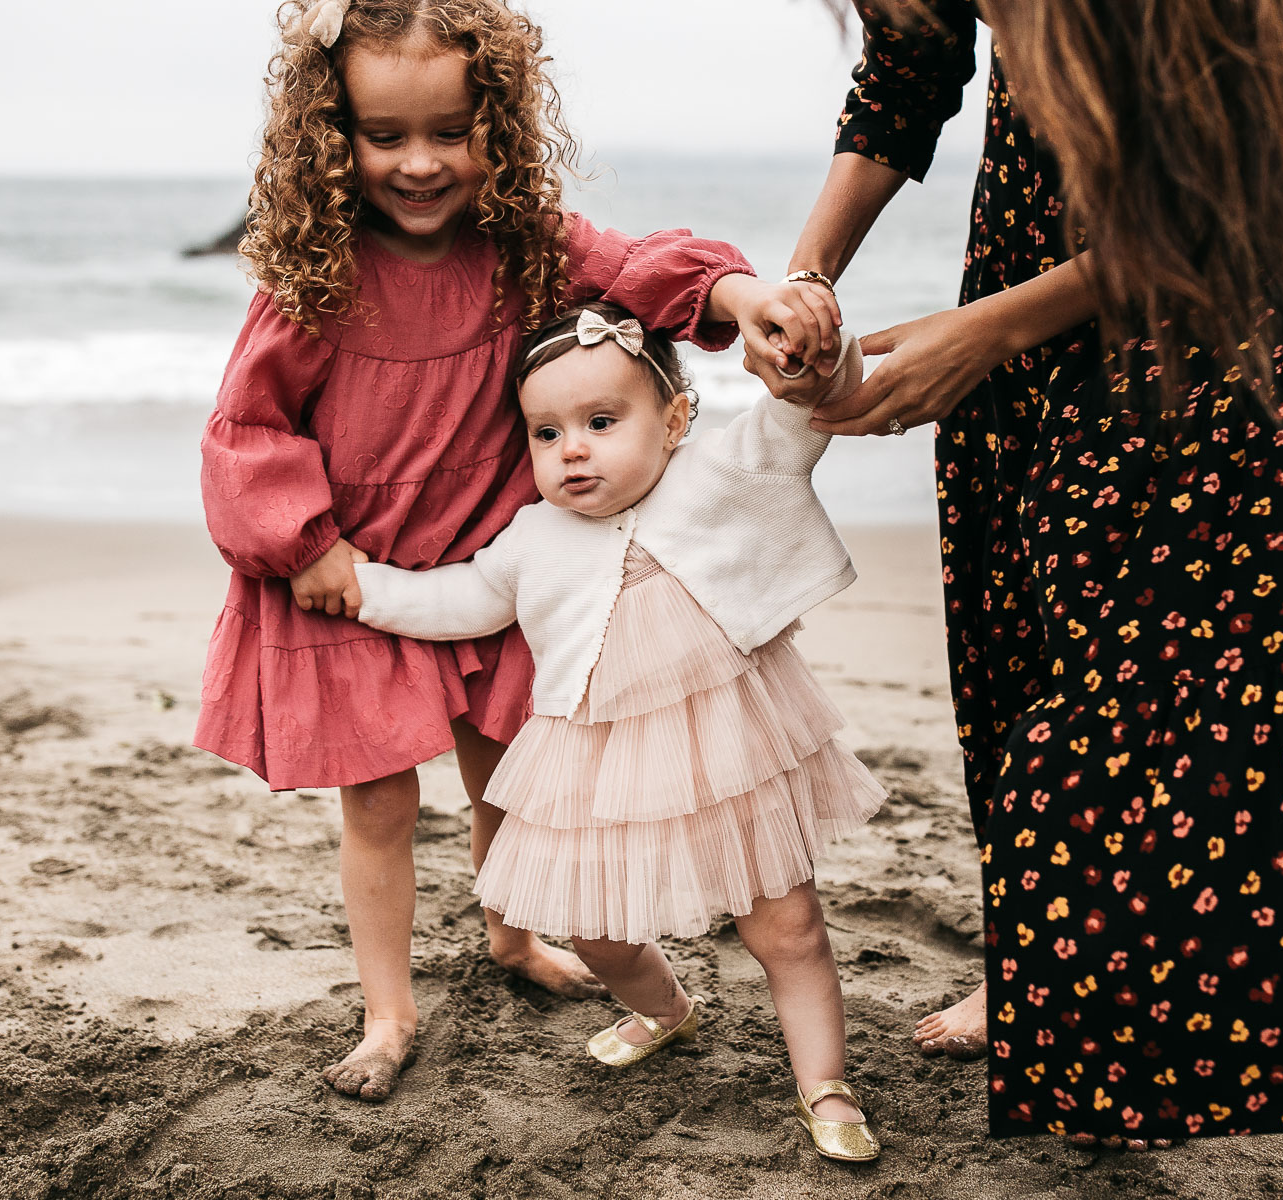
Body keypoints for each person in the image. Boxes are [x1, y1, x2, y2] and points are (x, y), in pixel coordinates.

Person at [771, 0, 1283, 1140]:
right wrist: (809, 281)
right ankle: (1054, 977)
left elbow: (1262, 188)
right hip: (1057, 255)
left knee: (1268, 689)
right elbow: (909, 65)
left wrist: (992, 332)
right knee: (1042, 638)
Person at [194, 0, 837, 1103]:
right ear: (328, 132)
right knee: (381, 805)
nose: (419, 162)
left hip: (492, 560)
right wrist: (303, 545)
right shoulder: (317, 278)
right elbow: (246, 430)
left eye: (450, 130)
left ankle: (511, 931)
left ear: (495, 119)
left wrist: (738, 294)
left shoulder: (529, 243)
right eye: (384, 134)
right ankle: (388, 1009)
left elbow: (643, 268)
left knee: (516, 776)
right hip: (360, 577)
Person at [347, 302, 887, 1160]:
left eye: (601, 422)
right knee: (596, 928)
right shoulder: (533, 537)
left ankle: (824, 1082)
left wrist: (810, 346)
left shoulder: (719, 471)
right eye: (547, 433)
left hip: (731, 747)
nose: (574, 450)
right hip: (597, 762)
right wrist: (362, 588)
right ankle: (666, 1009)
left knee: (787, 927)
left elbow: (801, 409)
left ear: (673, 419)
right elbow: (461, 601)